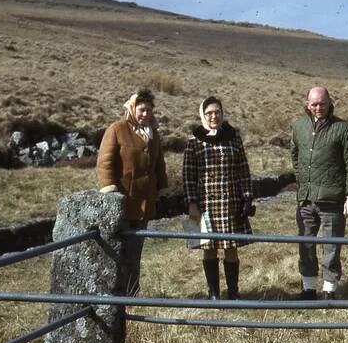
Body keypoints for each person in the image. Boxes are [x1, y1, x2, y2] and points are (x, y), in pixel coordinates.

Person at [290, 86, 348, 300]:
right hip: (305, 198)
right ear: (307, 104)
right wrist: (303, 180)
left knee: (332, 246)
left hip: (332, 200)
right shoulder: (299, 126)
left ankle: (329, 290)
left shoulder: (343, 128)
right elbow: (295, 155)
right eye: (314, 104)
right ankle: (308, 289)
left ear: (330, 103)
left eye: (322, 103)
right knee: (305, 244)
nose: (318, 108)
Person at [96, 87, 168, 294]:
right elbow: (105, 163)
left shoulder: (153, 135)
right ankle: (114, 295)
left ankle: (132, 293)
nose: (145, 114)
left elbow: (159, 165)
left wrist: (161, 190)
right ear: (132, 108)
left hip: (144, 205)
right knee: (118, 251)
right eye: (141, 109)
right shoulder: (117, 129)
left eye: (149, 110)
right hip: (122, 203)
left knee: (135, 251)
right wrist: (109, 192)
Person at [183, 95, 255, 299]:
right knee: (209, 247)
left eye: (217, 112)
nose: (213, 116)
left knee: (231, 247)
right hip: (206, 204)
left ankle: (233, 293)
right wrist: (192, 204)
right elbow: (188, 176)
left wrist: (247, 198)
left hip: (231, 202)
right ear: (202, 115)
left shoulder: (234, 138)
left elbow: (243, 170)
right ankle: (213, 293)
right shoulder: (194, 141)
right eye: (209, 113)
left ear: (222, 113)